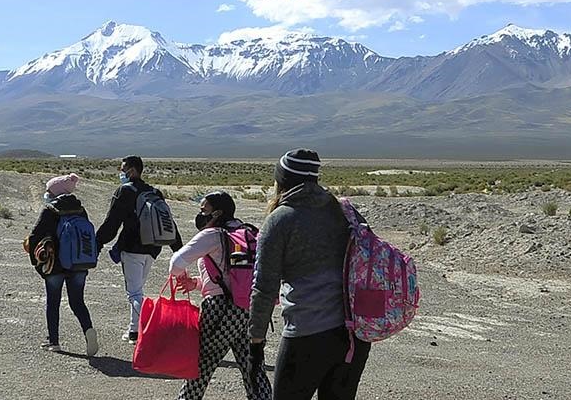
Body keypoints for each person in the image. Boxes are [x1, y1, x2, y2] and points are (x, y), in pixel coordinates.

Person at [247, 149, 371, 400]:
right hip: (353, 335)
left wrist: (255, 342)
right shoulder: (344, 211)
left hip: (307, 334)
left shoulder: (280, 219)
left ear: (281, 180)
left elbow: (264, 287)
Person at [169, 191, 272, 400]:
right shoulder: (249, 233)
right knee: (252, 364)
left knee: (204, 363)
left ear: (217, 212)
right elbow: (234, 278)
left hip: (220, 309)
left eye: (204, 209)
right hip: (249, 308)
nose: (201, 214)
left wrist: (181, 276)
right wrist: (196, 283)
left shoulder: (213, 234)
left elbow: (176, 264)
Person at [96, 155, 183, 344]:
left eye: (123, 169)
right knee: (138, 289)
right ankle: (134, 329)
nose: (121, 173)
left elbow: (112, 222)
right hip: (153, 249)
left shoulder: (125, 191)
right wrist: (178, 249)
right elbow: (169, 223)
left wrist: (97, 243)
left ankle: (138, 331)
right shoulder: (154, 191)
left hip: (132, 248)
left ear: (132, 171)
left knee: (134, 293)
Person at [27, 173, 99, 356]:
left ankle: (54, 341)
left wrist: (38, 263)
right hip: (79, 265)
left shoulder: (50, 210)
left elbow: (35, 237)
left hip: (55, 267)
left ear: (55, 191)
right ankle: (88, 330)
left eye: (49, 190)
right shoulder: (80, 210)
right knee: (77, 302)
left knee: (53, 302)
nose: (47, 193)